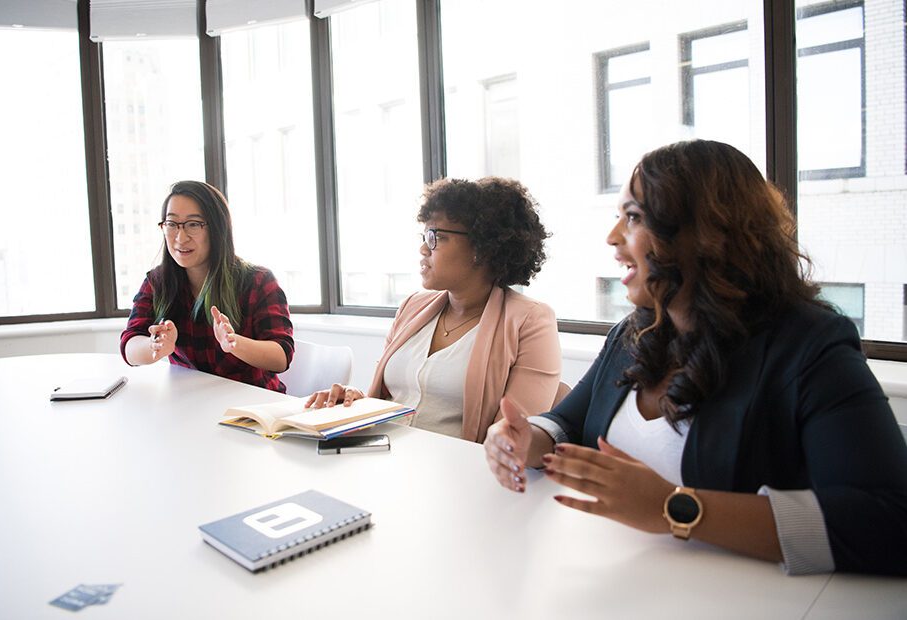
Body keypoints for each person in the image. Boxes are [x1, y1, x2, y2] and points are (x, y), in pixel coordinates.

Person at [484, 140, 907, 576]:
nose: (613, 237)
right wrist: (524, 440)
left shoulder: (810, 346)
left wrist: (675, 507)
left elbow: (890, 519)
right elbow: (569, 424)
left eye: (633, 218)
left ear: (705, 233)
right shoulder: (635, 332)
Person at [306, 177, 561, 443]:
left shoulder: (530, 321)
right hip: (380, 456)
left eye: (435, 236)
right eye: (424, 235)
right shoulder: (412, 307)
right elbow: (390, 399)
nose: (423, 248)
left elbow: (513, 439)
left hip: (456, 473)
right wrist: (355, 402)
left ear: (482, 249)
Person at [120, 180, 294, 392]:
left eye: (193, 224)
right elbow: (130, 345)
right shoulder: (158, 282)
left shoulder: (257, 281)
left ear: (217, 228)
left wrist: (235, 343)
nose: (180, 238)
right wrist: (154, 346)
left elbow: (281, 357)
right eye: (172, 224)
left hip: (252, 409)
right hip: (191, 404)